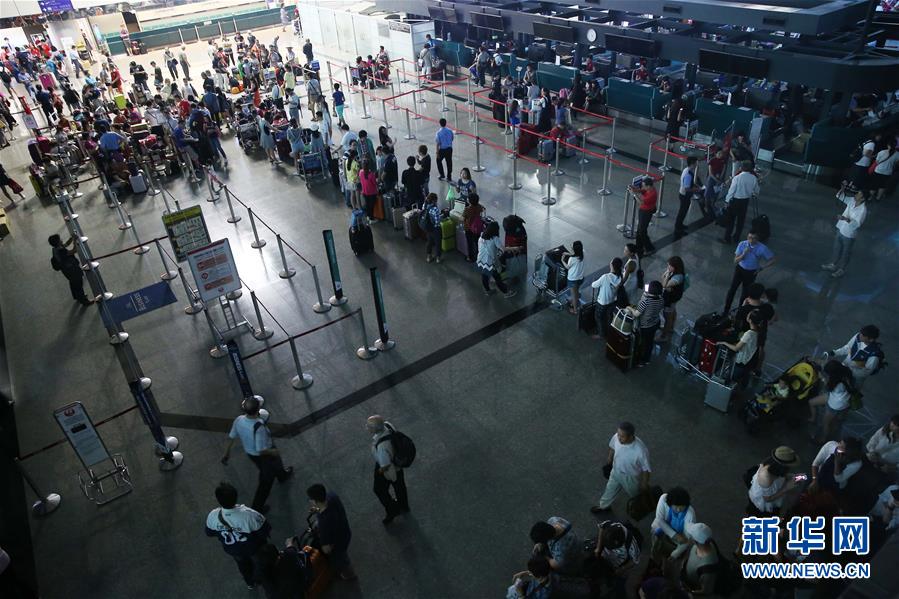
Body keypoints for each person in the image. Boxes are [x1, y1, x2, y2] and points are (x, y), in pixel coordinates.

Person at [220, 396, 294, 513]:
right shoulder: (258, 426)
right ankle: (257, 507)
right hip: (264, 455)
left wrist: (226, 453)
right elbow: (261, 450)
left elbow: (231, 437)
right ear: (258, 409)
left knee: (277, 462)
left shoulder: (239, 420)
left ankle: (282, 475)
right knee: (266, 482)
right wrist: (273, 451)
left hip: (251, 453)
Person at [204, 482, 270, 590]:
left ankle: (250, 583)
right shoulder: (248, 514)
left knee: (243, 565)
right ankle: (263, 580)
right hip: (252, 547)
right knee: (260, 563)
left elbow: (209, 533)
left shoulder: (213, 516)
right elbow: (264, 530)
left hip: (233, 549)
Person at [592, 422, 651, 514]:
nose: (618, 437)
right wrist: (609, 461)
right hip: (615, 471)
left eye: (622, 436)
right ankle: (603, 506)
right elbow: (612, 447)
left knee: (636, 495)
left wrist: (644, 483)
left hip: (630, 478)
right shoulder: (617, 437)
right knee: (609, 489)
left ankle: (645, 504)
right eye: (618, 434)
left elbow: (646, 469)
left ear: (631, 436)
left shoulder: (641, 451)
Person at [306, 483, 356, 580]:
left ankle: (349, 574)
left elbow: (327, 549)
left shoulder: (324, 522)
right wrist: (317, 509)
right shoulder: (332, 496)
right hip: (344, 531)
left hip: (338, 544)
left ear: (315, 501)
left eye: (310, 499)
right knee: (343, 554)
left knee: (341, 559)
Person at [366, 415, 409, 524]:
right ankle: (404, 505)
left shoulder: (381, 447)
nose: (367, 428)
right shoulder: (388, 425)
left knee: (379, 489)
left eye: (369, 426)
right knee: (400, 486)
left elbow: (385, 465)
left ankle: (392, 510)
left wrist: (379, 471)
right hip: (398, 464)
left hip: (389, 468)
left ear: (375, 429)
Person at [722, 230, 776, 314]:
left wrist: (762, 268)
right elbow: (735, 260)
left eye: (754, 238)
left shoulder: (762, 248)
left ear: (758, 239)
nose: (751, 240)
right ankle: (725, 310)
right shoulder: (742, 244)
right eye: (749, 237)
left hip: (751, 273)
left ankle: (740, 312)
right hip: (740, 269)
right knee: (732, 290)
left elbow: (772, 260)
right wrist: (744, 254)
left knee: (745, 293)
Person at [587, 519, 641, 597]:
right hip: (604, 559)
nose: (609, 549)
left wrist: (622, 569)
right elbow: (602, 527)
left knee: (620, 584)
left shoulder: (632, 545)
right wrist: (598, 547)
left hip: (618, 566)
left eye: (611, 547)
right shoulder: (610, 525)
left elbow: (635, 561)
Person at [821, 188, 867, 278]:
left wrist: (845, 219)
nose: (856, 195)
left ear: (863, 198)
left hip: (849, 234)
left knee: (846, 252)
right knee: (837, 248)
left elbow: (857, 224)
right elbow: (839, 196)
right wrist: (843, 188)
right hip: (841, 229)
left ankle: (841, 269)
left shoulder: (863, 210)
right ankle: (833, 264)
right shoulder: (852, 201)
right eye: (857, 193)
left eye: (859, 194)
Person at [807, 360, 856, 443]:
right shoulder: (847, 372)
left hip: (835, 404)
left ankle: (823, 439)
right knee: (811, 402)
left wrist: (822, 378)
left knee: (825, 423)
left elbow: (828, 387)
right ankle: (813, 418)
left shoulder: (837, 384)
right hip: (842, 400)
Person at [746, 448, 800, 515]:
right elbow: (767, 499)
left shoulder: (773, 465)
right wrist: (786, 488)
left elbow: (779, 475)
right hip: (763, 502)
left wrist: (789, 476)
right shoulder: (765, 477)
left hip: (772, 492)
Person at [828, 324, 883, 389]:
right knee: (835, 384)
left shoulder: (874, 355)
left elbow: (866, 371)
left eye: (863, 335)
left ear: (871, 339)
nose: (860, 335)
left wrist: (849, 371)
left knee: (851, 389)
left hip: (855, 378)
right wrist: (835, 352)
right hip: (844, 367)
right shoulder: (858, 336)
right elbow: (848, 347)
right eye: (861, 332)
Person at [650, 487, 696, 564]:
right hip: (666, 530)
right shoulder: (663, 499)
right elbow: (659, 520)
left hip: (679, 538)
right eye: (676, 507)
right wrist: (674, 535)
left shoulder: (690, 514)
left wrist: (675, 553)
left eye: (681, 507)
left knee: (673, 558)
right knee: (656, 539)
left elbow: (687, 538)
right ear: (669, 504)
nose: (678, 510)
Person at [717, 310, 762, 388]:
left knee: (729, 381)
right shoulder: (759, 332)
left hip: (740, 362)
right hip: (748, 362)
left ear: (750, 320)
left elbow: (736, 348)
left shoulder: (749, 334)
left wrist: (724, 343)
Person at [671, 523, 719, 596]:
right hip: (688, 576)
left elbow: (706, 590)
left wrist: (690, 592)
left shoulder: (708, 568)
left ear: (695, 541)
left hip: (691, 585)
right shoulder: (705, 544)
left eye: (691, 536)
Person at [477, 220, 519, 298]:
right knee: (497, 278)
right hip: (490, 262)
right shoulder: (494, 238)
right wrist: (515, 248)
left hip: (481, 260)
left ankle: (487, 291)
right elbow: (503, 249)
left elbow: (480, 248)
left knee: (484, 276)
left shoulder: (482, 236)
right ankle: (506, 292)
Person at [721, 160, 760, 244]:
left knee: (731, 220)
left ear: (741, 168)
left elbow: (731, 191)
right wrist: (752, 193)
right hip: (745, 201)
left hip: (735, 201)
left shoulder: (737, 178)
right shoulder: (753, 178)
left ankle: (727, 238)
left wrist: (727, 201)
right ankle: (736, 237)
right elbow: (757, 190)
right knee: (741, 221)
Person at [48, 234, 93, 306]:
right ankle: (84, 300)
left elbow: (66, 244)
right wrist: (75, 242)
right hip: (72, 270)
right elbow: (74, 251)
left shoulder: (56, 249)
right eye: (60, 239)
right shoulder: (61, 251)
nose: (61, 240)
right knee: (78, 284)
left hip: (66, 270)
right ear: (58, 242)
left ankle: (76, 296)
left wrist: (71, 238)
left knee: (73, 283)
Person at [628, 281, 665, 367]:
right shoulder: (661, 299)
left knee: (643, 343)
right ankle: (647, 359)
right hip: (655, 323)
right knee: (649, 342)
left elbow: (636, 314)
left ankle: (642, 360)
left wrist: (630, 308)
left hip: (646, 326)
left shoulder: (646, 301)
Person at [591, 258, 623, 339]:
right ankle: (608, 330)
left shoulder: (605, 277)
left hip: (602, 302)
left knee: (598, 317)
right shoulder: (620, 277)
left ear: (612, 265)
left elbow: (594, 285)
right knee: (607, 316)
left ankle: (601, 334)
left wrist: (594, 281)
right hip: (612, 301)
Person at [659, 256, 685, 341]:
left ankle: (664, 335)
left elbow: (664, 285)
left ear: (676, 267)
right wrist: (667, 272)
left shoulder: (678, 277)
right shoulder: (674, 272)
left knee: (667, 316)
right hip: (672, 297)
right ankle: (670, 328)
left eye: (670, 266)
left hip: (671, 299)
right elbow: (662, 277)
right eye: (668, 265)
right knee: (672, 311)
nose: (668, 267)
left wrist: (667, 274)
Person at [674, 156, 702, 235]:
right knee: (682, 212)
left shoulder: (686, 170)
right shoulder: (688, 174)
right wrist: (697, 190)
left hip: (683, 194)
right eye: (696, 163)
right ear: (692, 164)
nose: (697, 165)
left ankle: (680, 225)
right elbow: (687, 188)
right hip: (684, 195)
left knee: (683, 211)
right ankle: (678, 227)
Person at [630, 177, 657, 257]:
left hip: (646, 213)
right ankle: (639, 247)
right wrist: (635, 189)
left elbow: (641, 202)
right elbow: (643, 191)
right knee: (639, 230)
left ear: (649, 186)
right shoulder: (649, 189)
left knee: (642, 231)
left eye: (644, 186)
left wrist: (634, 194)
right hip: (643, 211)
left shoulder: (652, 194)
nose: (643, 187)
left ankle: (650, 248)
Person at [561, 241, 585, 315]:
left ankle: (575, 310)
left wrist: (562, 260)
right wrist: (568, 253)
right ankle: (575, 301)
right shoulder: (583, 253)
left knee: (573, 295)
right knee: (576, 291)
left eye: (572, 248)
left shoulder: (572, 259)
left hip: (572, 279)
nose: (571, 248)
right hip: (580, 278)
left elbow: (567, 267)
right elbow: (576, 254)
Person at [462, 193, 485, 263]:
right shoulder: (479, 207)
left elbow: (462, 219)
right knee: (477, 242)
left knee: (470, 243)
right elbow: (483, 210)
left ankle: (470, 258)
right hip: (477, 228)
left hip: (468, 228)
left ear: (470, 201)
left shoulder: (467, 209)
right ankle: (478, 256)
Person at [421, 192, 443, 264]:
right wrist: (442, 217)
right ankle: (438, 258)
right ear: (434, 200)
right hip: (436, 229)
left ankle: (429, 257)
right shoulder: (435, 209)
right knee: (438, 243)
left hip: (428, 227)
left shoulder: (425, 205)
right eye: (436, 200)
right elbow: (437, 222)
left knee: (429, 242)